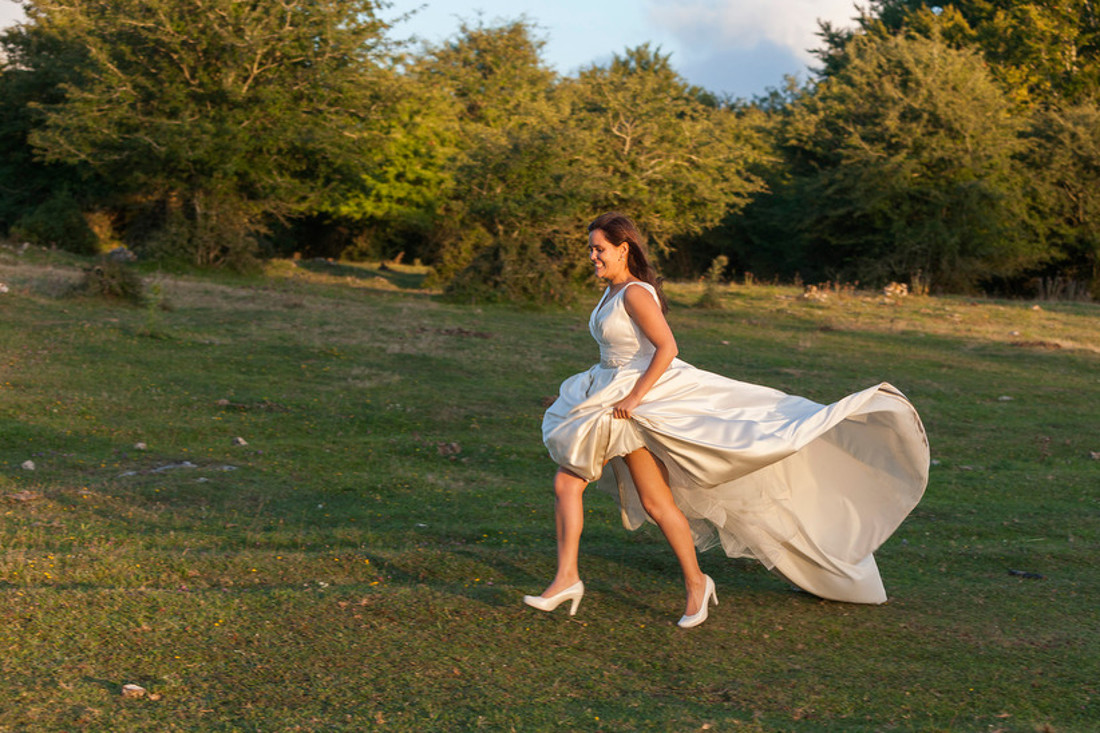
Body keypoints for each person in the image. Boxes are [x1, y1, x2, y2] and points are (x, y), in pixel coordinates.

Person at [523, 212, 929, 628]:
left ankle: (689, 583)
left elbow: (667, 348)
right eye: (591, 248)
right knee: (614, 493)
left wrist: (634, 397)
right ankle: (575, 578)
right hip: (611, 397)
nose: (592, 256)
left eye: (599, 249)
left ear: (623, 249)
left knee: (640, 499)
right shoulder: (612, 291)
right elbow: (616, 353)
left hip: (635, 403)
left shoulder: (635, 294)